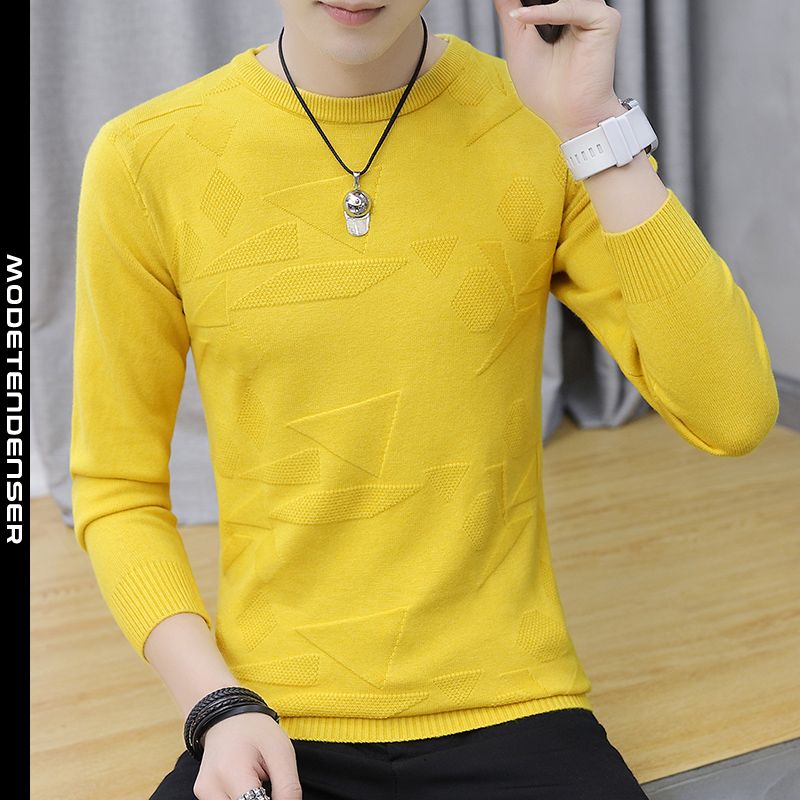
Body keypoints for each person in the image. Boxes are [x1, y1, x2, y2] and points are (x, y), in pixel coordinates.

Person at [69, 1, 779, 799]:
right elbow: (117, 488)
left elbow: (733, 412)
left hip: (514, 704)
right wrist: (216, 704)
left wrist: (595, 129)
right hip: (269, 717)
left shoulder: (539, 123)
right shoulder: (145, 158)